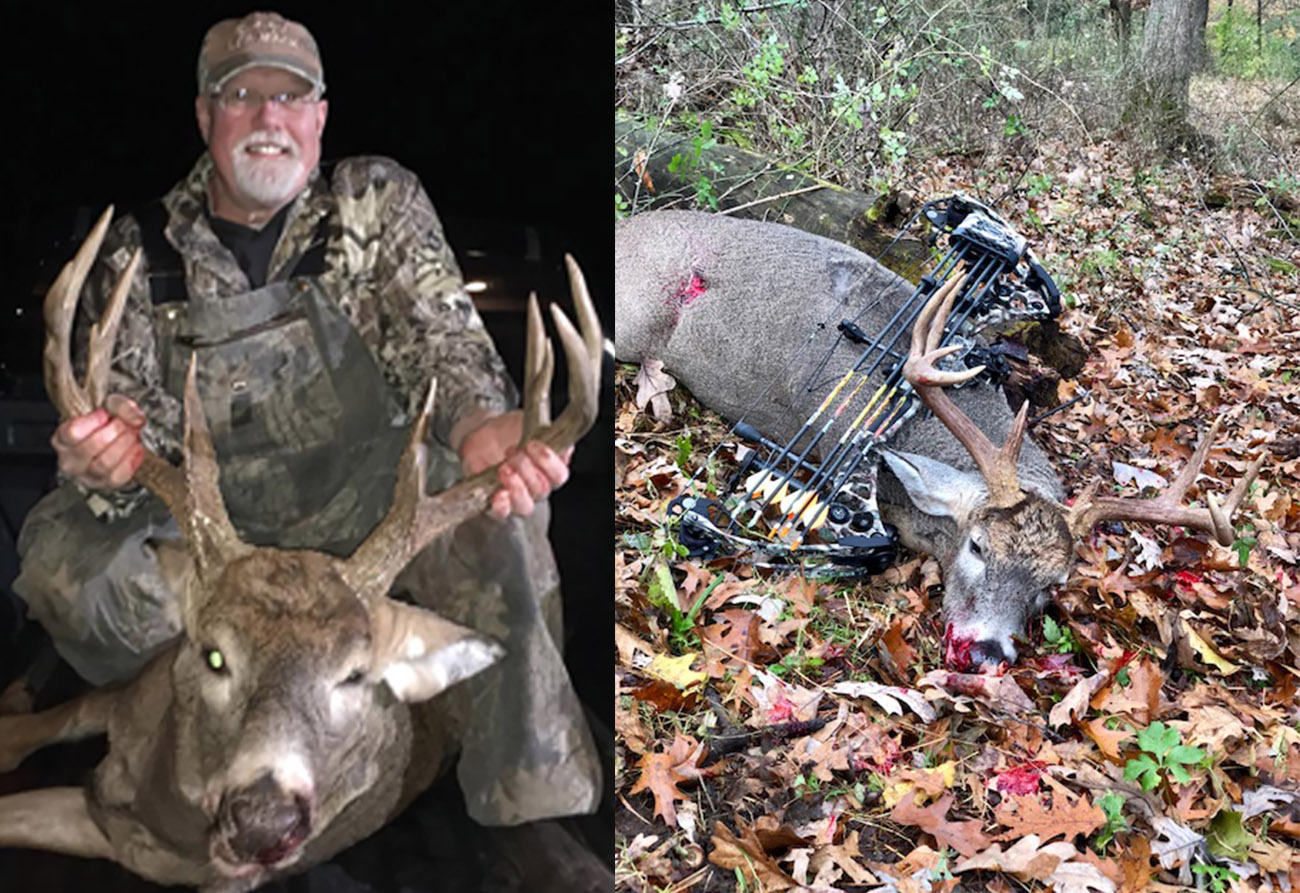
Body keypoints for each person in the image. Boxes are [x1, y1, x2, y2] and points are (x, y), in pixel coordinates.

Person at [13, 11, 599, 828]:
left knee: (504, 505)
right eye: (242, 94)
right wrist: (106, 462)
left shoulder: (373, 203)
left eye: (291, 97)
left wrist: (482, 430)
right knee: (69, 574)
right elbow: (125, 426)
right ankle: (170, 730)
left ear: (321, 114)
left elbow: (442, 343)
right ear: (204, 115)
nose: (267, 118)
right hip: (218, 545)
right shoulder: (137, 252)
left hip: (363, 535)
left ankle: (528, 795)